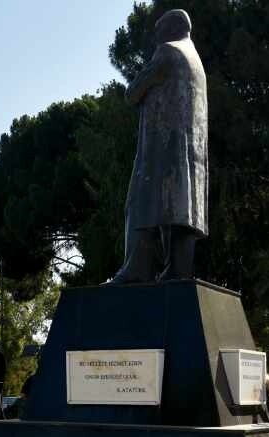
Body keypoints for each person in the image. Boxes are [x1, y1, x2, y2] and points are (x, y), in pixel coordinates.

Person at [109, 9, 208, 284]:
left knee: (142, 203)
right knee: (183, 212)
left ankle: (137, 268)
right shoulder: (196, 62)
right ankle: (178, 270)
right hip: (192, 153)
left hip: (161, 148)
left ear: (170, 28)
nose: (155, 36)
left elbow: (133, 93)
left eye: (158, 29)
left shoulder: (167, 52)